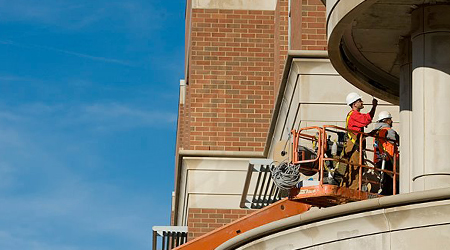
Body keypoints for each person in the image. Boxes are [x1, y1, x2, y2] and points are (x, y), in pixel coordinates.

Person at [334, 92, 378, 189]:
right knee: (355, 169)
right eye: (359, 101)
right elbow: (367, 120)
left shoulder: (354, 115)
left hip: (354, 146)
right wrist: (374, 107)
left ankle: (348, 188)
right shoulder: (354, 114)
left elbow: (358, 132)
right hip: (354, 147)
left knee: (351, 169)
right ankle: (353, 190)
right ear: (354, 104)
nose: (362, 102)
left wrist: (369, 134)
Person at [372, 111, 399, 195]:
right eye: (390, 120)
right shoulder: (389, 131)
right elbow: (397, 140)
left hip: (378, 159)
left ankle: (386, 192)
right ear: (386, 121)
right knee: (390, 180)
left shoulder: (376, 131)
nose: (391, 122)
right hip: (388, 159)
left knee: (385, 178)